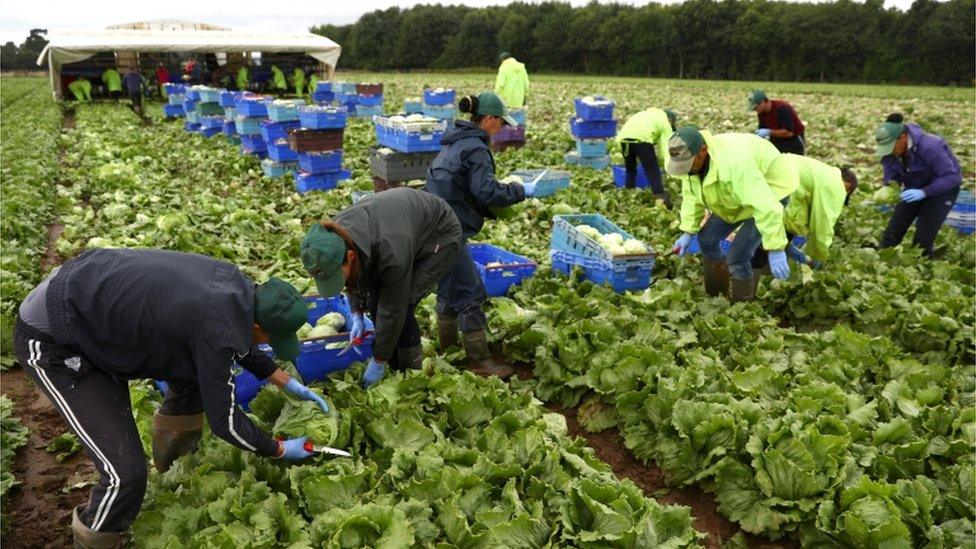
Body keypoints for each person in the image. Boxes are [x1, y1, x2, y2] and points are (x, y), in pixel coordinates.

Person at [13, 248, 328, 548]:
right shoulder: (217, 327)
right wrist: (278, 448)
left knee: (193, 378)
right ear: (258, 324)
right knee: (125, 476)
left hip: (98, 310)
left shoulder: (238, 289)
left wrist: (280, 378)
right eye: (272, 338)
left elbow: (237, 336)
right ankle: (95, 540)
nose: (270, 343)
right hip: (56, 338)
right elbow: (225, 422)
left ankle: (171, 470)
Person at [300, 188, 462, 388]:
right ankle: (393, 363)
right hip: (398, 228)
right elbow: (354, 276)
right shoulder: (335, 236)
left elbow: (394, 308)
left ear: (350, 257)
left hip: (438, 235)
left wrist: (377, 361)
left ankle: (412, 373)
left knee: (404, 303)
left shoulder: (390, 253)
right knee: (379, 302)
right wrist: (356, 310)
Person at [425, 92, 536, 377]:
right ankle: (480, 361)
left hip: (433, 225)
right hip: (450, 228)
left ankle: (448, 350)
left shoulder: (453, 142)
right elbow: (486, 191)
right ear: (488, 119)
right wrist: (520, 191)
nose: (501, 128)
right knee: (470, 291)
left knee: (449, 289)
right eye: (500, 122)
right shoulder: (475, 149)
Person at [669, 126, 798, 302]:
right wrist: (687, 231)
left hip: (770, 191)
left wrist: (776, 248)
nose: (686, 169)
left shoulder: (734, 164)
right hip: (734, 196)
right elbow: (692, 195)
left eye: (688, 164)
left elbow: (766, 205)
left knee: (738, 256)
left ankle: (741, 308)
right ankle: (717, 296)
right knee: (707, 240)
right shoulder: (690, 166)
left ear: (703, 151)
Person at [751, 155, 859, 286]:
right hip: (784, 194)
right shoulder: (835, 186)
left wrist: (788, 245)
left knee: (758, 237)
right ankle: (751, 293)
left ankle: (760, 281)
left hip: (763, 181)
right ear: (848, 185)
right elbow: (822, 225)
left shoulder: (821, 171)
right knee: (763, 251)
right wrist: (818, 255)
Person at [875, 113, 962, 257]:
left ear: (902, 138)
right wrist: (888, 188)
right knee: (894, 229)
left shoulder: (931, 146)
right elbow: (892, 176)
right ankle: (882, 257)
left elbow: (951, 177)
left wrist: (924, 192)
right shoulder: (889, 154)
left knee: (923, 237)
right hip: (913, 186)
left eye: (890, 146)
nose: (888, 151)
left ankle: (924, 266)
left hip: (942, 189)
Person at [616, 107, 678, 204]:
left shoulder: (643, 114)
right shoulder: (664, 122)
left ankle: (629, 194)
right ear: (670, 120)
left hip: (624, 140)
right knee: (653, 171)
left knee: (631, 168)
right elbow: (666, 146)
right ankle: (660, 199)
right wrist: (668, 163)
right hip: (642, 140)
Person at [748, 90, 806, 155]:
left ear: (763, 102)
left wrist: (768, 132)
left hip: (794, 140)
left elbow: (789, 132)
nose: (754, 110)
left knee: (795, 162)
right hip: (776, 139)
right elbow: (762, 129)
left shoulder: (781, 108)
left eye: (755, 107)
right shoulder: (761, 112)